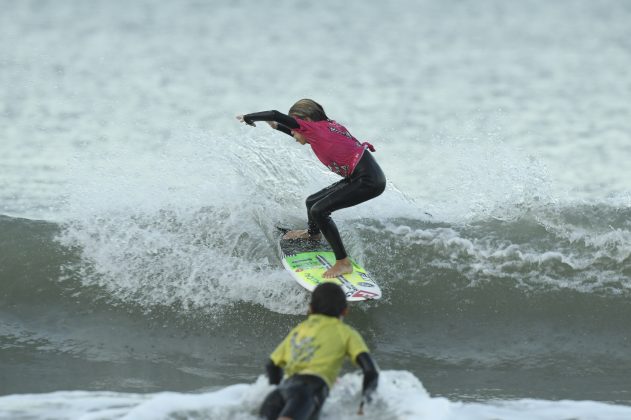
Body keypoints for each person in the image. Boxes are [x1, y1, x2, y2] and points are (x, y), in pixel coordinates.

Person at [236, 99, 386, 278]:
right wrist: (278, 127)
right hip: (361, 176)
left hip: (368, 180)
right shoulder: (325, 127)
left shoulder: (313, 129)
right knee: (312, 201)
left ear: (306, 120)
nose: (294, 132)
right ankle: (313, 235)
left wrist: (249, 117)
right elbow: (301, 136)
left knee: (319, 210)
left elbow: (275, 113)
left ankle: (343, 262)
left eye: (296, 127)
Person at [259, 282, 379, 420]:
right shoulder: (345, 333)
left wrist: (279, 388)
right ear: (345, 310)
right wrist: (364, 405)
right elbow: (370, 371)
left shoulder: (300, 330)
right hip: (307, 392)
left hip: (279, 393)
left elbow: (272, 365)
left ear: (310, 308)